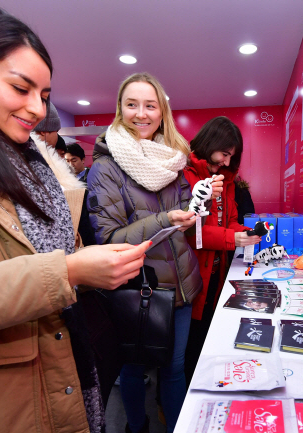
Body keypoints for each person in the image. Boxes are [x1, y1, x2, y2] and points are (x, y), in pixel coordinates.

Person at [0, 6, 150, 432]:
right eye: (20, 88)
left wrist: (84, 264)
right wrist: (68, 271)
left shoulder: (34, 164)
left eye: (46, 95)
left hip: (58, 369)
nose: (36, 108)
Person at [86, 73, 215, 433]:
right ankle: (136, 426)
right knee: (133, 369)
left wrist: (198, 205)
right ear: (119, 110)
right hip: (136, 289)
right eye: (132, 104)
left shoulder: (172, 161)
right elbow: (108, 238)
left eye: (150, 105)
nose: (141, 114)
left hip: (182, 287)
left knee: (175, 370)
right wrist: (163, 219)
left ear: (162, 112)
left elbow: (186, 207)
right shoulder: (105, 168)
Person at [183, 117, 262, 383]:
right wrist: (233, 239)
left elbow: (228, 221)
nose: (227, 162)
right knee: (187, 348)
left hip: (217, 271)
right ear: (210, 143)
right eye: (224, 154)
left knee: (206, 338)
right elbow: (191, 232)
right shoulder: (186, 175)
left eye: (232, 157)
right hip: (191, 274)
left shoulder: (226, 181)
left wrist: (248, 233)